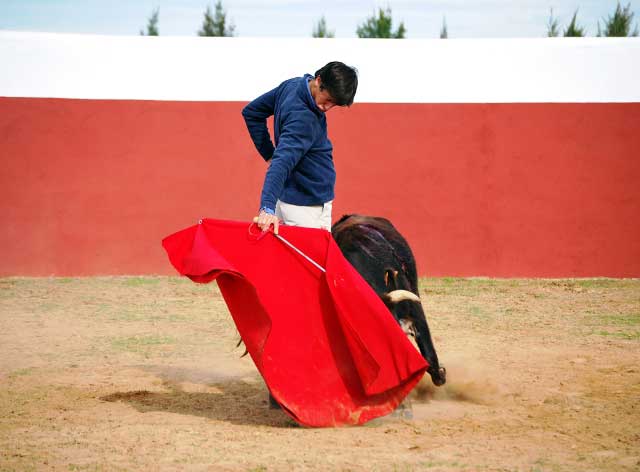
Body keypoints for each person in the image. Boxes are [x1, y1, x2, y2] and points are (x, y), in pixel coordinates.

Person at [242, 61, 358, 234]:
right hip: (306, 205)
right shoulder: (305, 118)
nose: (327, 107)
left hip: (291, 197)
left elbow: (252, 112)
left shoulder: (293, 85)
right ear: (318, 81)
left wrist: (269, 154)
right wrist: (266, 207)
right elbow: (281, 163)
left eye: (334, 104)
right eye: (327, 100)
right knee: (311, 261)